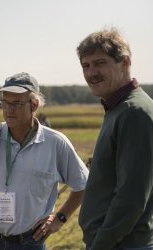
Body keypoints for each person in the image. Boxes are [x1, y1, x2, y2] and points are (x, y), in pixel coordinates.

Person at [0, 72, 89, 250]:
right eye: (5, 103)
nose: (8, 109)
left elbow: (82, 184)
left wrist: (60, 218)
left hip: (29, 242)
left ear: (34, 105)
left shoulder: (55, 143)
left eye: (16, 104)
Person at [77, 28, 153, 250]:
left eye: (100, 63)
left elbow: (132, 198)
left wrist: (100, 244)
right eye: (85, 65)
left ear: (125, 62)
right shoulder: (118, 107)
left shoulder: (134, 112)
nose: (91, 73)